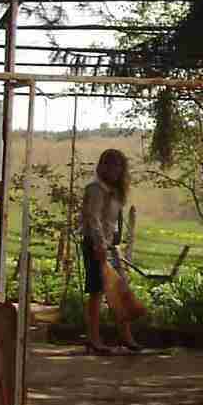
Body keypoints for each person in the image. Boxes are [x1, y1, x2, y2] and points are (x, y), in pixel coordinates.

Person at [80, 148, 142, 355]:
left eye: (119, 166)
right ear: (103, 167)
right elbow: (93, 218)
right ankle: (94, 338)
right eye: (111, 165)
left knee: (120, 290)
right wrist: (99, 245)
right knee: (97, 292)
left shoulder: (115, 191)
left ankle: (125, 336)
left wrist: (115, 245)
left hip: (110, 246)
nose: (115, 170)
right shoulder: (96, 189)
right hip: (95, 245)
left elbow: (113, 222)